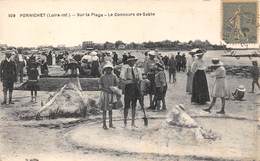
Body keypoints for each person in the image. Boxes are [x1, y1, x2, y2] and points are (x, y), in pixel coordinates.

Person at [120, 56, 141, 128]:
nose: (133, 62)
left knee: (134, 105)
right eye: (131, 61)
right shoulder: (125, 68)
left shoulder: (137, 69)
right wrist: (131, 81)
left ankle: (133, 122)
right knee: (126, 105)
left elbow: (140, 79)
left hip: (135, 88)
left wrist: (138, 81)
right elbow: (122, 80)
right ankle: (125, 122)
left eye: (134, 61)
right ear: (128, 62)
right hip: (128, 88)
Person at [99, 62, 119, 129]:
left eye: (109, 69)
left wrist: (114, 89)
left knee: (110, 110)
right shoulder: (102, 77)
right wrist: (106, 89)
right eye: (107, 69)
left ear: (111, 69)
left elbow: (117, 84)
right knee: (104, 110)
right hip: (105, 94)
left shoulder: (114, 76)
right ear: (105, 69)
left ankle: (110, 123)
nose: (108, 70)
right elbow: (100, 86)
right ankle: (104, 124)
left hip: (111, 94)